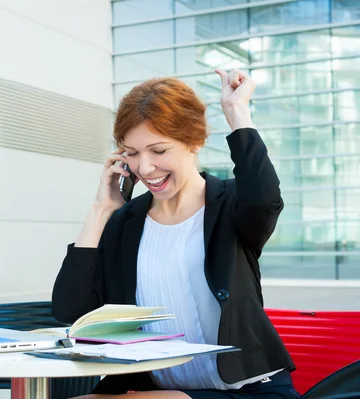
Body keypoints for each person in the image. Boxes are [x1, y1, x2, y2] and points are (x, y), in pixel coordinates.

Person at [51, 69, 301, 399]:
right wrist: (101, 210)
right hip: (160, 391)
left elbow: (265, 197)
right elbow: (72, 310)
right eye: (132, 152)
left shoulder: (231, 205)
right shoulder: (126, 222)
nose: (145, 168)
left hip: (250, 391)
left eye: (158, 150)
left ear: (194, 141)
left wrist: (237, 111)